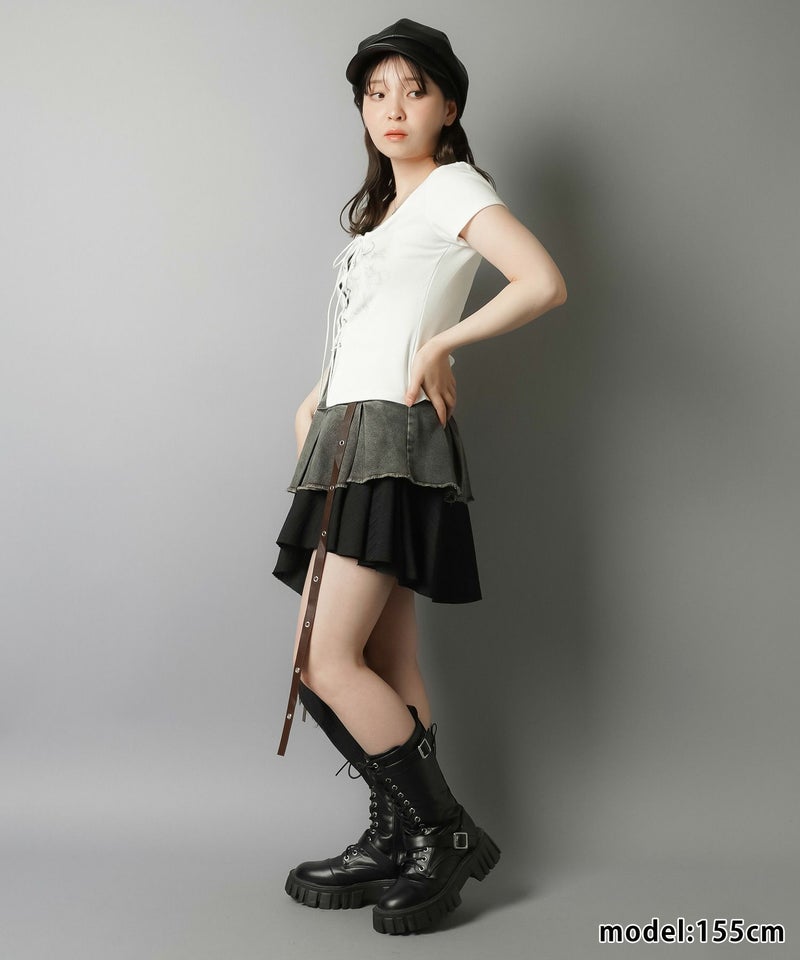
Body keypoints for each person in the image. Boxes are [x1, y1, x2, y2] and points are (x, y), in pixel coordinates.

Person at [271, 18, 567, 935]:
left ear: (449, 105)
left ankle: (443, 832)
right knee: (385, 660)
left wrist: (441, 346)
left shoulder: (452, 188)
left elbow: (541, 280)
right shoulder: (382, 217)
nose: (391, 108)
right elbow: (370, 329)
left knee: (324, 661)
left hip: (392, 440)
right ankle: (398, 835)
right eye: (375, 93)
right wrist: (315, 402)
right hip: (349, 436)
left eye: (413, 89)